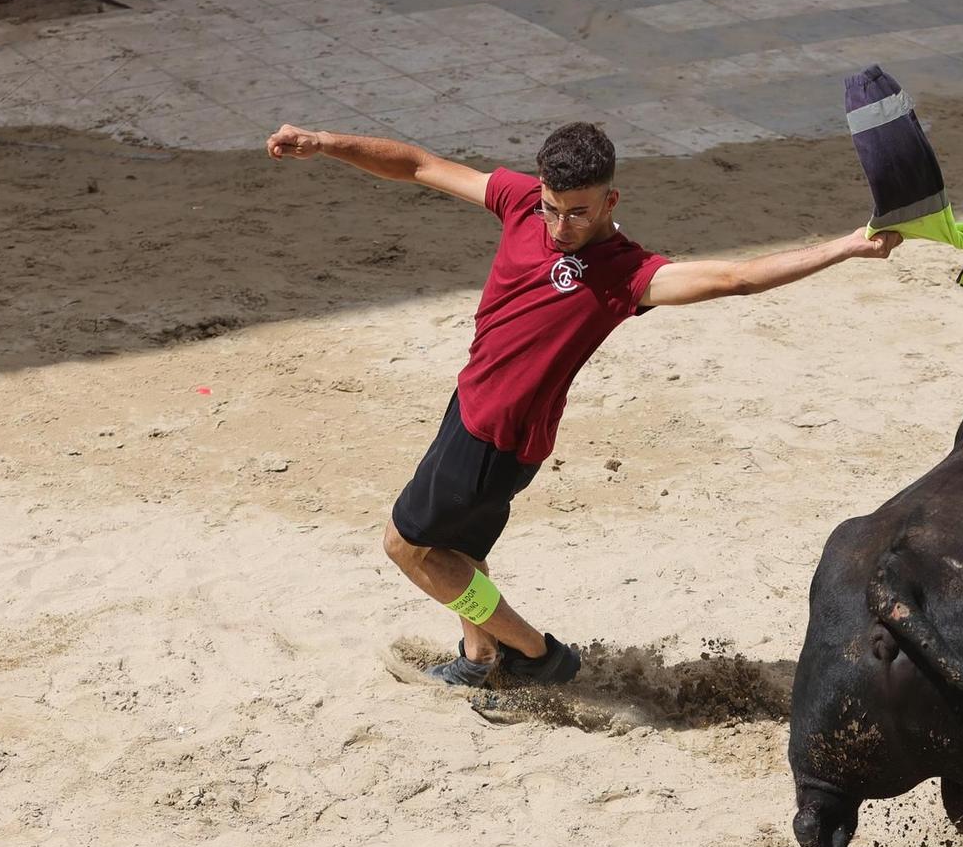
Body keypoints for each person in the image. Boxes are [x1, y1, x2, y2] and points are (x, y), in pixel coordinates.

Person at [266, 119, 900, 687]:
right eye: (552, 209)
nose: (561, 225)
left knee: (406, 547)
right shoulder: (518, 201)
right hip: (473, 411)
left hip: (495, 437)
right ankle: (481, 658)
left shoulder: (628, 274)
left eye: (577, 212)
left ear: (610, 201)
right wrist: (325, 143)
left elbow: (733, 279)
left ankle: (538, 655)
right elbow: (417, 164)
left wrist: (843, 245)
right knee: (462, 552)